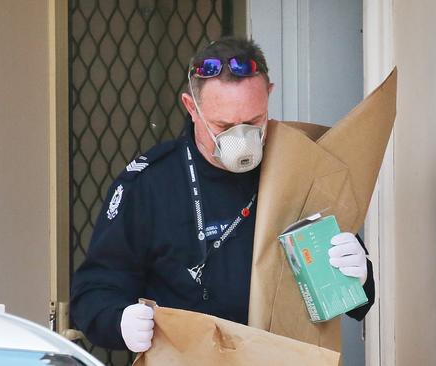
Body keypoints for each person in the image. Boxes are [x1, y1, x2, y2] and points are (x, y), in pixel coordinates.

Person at [70, 36, 375, 353]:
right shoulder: (149, 184)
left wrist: (359, 274)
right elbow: (93, 292)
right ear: (191, 107)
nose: (240, 138)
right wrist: (119, 321)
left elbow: (354, 303)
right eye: (223, 124)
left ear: (269, 96)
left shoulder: (299, 170)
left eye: (254, 121)